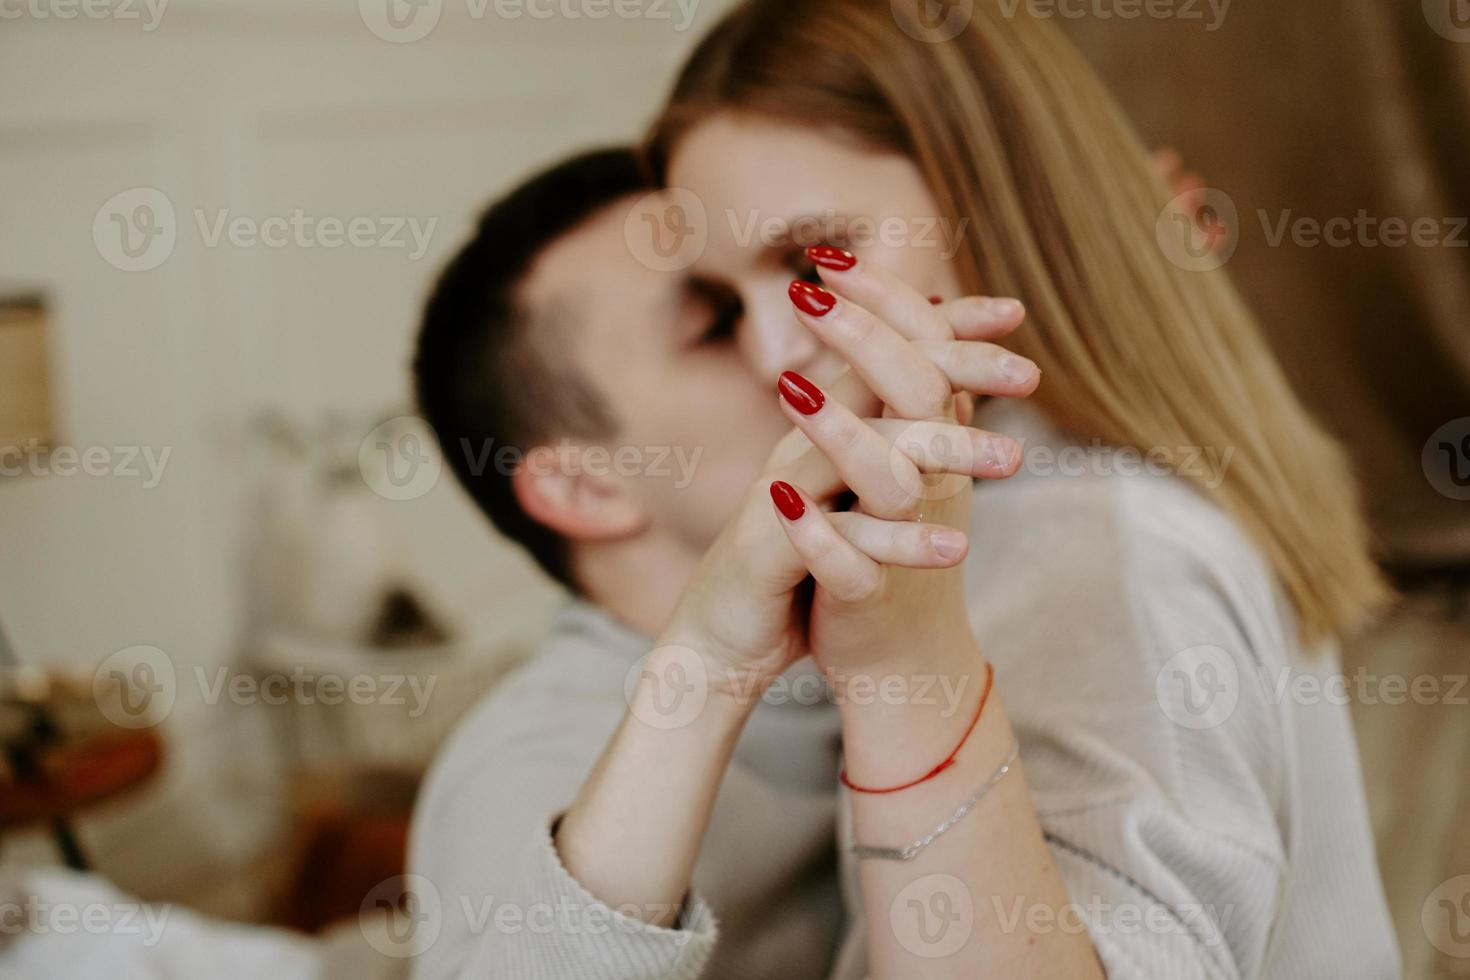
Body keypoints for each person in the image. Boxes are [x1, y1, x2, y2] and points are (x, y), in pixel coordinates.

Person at [409, 1, 1400, 976]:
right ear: (582, 486)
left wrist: (1065, 245)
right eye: (718, 314)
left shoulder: (1064, 536)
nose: (769, 347)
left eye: (809, 263)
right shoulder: (536, 770)